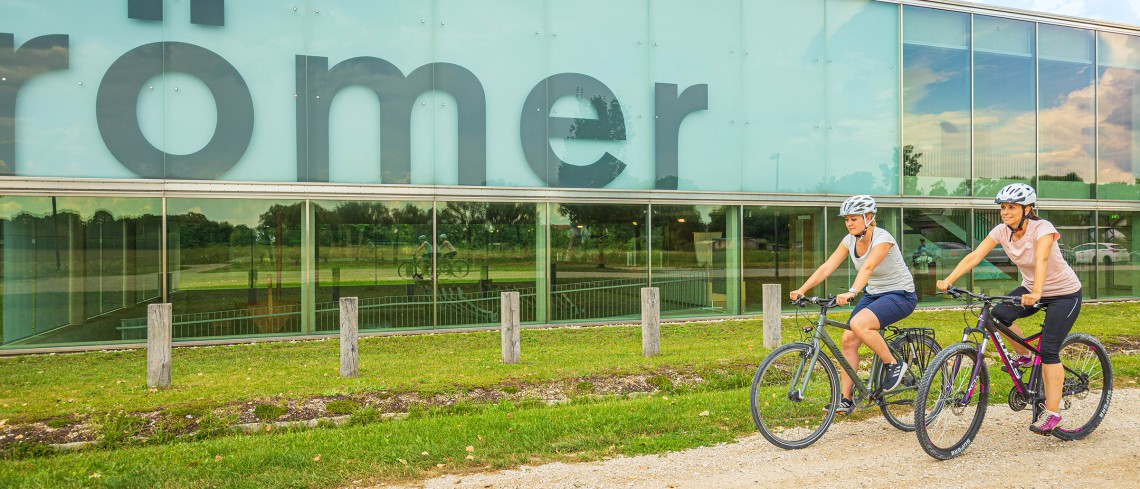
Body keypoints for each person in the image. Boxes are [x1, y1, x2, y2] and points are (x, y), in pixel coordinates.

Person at [936, 183, 1082, 435]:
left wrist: (1037, 292)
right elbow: (975, 256)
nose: (1005, 212)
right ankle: (1024, 355)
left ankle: (1053, 412)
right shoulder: (1002, 231)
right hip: (1031, 288)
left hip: (1063, 294)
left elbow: (1042, 259)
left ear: (1027, 209)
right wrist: (950, 279)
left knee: (1048, 350)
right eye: (1003, 207)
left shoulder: (1043, 229)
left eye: (1012, 207)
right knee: (999, 315)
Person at [789, 195, 915, 415]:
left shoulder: (883, 239)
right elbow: (828, 266)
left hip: (901, 294)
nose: (849, 223)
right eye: (846, 219)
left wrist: (851, 292)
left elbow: (867, 268)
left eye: (854, 218)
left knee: (859, 324)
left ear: (868, 218)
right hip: (875, 294)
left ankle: (894, 364)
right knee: (848, 339)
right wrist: (802, 289)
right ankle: (846, 400)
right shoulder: (849, 240)